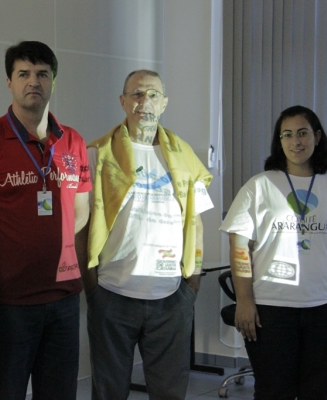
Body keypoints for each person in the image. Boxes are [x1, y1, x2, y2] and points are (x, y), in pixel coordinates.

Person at [0, 41, 91, 400]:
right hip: (6, 304)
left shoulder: (73, 142)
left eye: (43, 74)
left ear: (53, 82)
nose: (34, 82)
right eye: (24, 74)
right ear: (9, 82)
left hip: (63, 300)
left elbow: (81, 212)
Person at [220, 105, 327, 399]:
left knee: (319, 393)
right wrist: (244, 301)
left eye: (302, 133)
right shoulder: (259, 186)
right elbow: (239, 247)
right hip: (270, 310)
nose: (295, 142)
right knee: (273, 393)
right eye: (287, 135)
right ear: (279, 141)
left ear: (317, 137)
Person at [80, 69, 214, 400]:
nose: (145, 102)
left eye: (153, 94)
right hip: (112, 293)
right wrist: (91, 285)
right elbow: (82, 224)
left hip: (171, 296)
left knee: (170, 393)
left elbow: (196, 223)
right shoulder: (98, 154)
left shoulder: (184, 156)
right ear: (123, 101)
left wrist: (193, 280)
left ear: (164, 103)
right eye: (137, 94)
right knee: (109, 392)